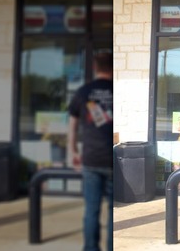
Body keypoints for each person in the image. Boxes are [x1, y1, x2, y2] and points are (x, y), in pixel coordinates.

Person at [67, 52, 114, 251]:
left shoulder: (84, 92)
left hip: (91, 159)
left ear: (96, 68)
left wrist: (72, 151)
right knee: (113, 213)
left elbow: (73, 125)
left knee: (92, 210)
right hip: (113, 160)